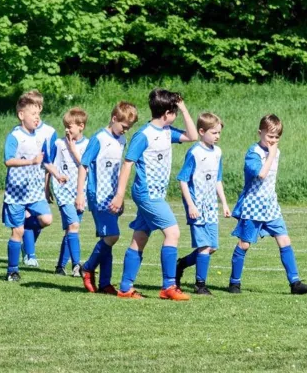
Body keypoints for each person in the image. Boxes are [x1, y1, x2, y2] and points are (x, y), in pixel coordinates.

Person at [109, 89, 197, 301]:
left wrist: (183, 108)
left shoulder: (168, 131)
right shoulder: (144, 135)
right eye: (175, 111)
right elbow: (127, 164)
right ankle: (169, 286)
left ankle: (125, 288)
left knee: (140, 238)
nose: (176, 114)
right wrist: (119, 196)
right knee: (173, 233)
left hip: (157, 194)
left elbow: (193, 136)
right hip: (147, 194)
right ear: (167, 113)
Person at [228, 114, 307, 295]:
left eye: (277, 137)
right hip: (253, 205)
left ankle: (295, 283)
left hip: (271, 205)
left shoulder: (276, 151)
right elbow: (261, 174)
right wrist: (271, 154)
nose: (273, 141)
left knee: (284, 240)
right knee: (244, 244)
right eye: (270, 136)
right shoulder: (253, 153)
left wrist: (273, 152)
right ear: (260, 133)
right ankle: (234, 282)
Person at [76, 102, 138, 294]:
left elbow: (119, 171)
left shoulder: (121, 141)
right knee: (112, 236)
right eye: (124, 127)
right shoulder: (99, 139)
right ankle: (87, 268)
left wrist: (121, 196)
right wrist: (80, 194)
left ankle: (105, 283)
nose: (125, 131)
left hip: (113, 197)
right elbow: (83, 165)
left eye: (129, 129)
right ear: (114, 119)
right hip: (98, 196)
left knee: (107, 239)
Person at [175, 113, 231, 295]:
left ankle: (181, 264)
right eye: (214, 133)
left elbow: (217, 179)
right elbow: (183, 180)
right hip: (196, 206)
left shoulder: (218, 152)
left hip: (211, 206)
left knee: (212, 247)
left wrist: (224, 203)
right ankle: (200, 285)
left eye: (219, 133)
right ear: (201, 131)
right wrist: (190, 205)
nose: (217, 136)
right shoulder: (194, 152)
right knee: (204, 247)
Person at [2, 94, 53, 281]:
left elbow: (44, 162)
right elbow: (8, 161)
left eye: (38, 113)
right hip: (16, 193)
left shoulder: (40, 137)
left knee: (46, 219)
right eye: (33, 113)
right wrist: (30, 161)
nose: (37, 117)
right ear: (21, 115)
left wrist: (57, 174)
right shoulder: (15, 136)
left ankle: (24, 231)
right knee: (17, 232)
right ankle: (12, 271)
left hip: (34, 192)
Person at [44, 107, 89, 277]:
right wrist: (46, 187)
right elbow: (49, 166)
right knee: (74, 225)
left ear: (81, 126)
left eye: (70, 126)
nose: (67, 130)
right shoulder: (58, 144)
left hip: (80, 192)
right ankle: (77, 265)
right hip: (62, 190)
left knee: (71, 229)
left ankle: (60, 266)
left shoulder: (87, 144)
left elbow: (86, 166)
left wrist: (73, 149)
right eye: (65, 126)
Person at [20, 90, 57, 267]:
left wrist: (47, 186)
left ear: (40, 108)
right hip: (21, 184)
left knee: (44, 219)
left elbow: (48, 161)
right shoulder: (21, 131)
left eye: (35, 109)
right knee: (27, 214)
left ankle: (26, 245)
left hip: (38, 183)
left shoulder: (49, 132)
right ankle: (30, 254)